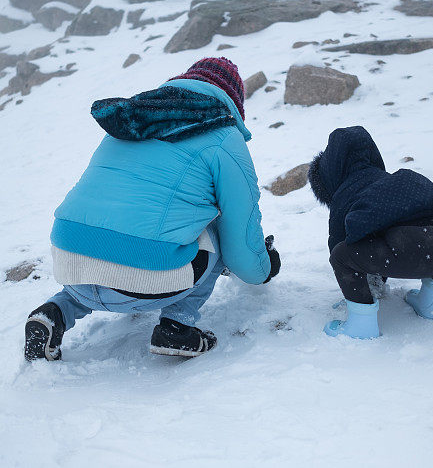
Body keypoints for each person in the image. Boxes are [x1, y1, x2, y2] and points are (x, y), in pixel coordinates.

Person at [24, 57, 281, 361]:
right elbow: (240, 233)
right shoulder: (223, 135)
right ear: (233, 101)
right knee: (217, 222)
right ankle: (177, 325)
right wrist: (263, 268)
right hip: (145, 278)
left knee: (105, 245)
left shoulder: (132, 119)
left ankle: (53, 313)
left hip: (70, 263)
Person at [307, 126, 433, 339]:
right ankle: (430, 303)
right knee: (428, 224)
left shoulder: (346, 192)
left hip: (412, 251)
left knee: (340, 256)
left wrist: (364, 284)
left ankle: (361, 326)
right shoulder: (385, 179)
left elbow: (341, 244)